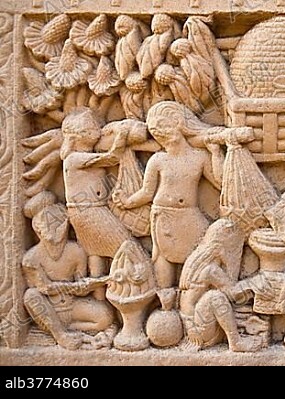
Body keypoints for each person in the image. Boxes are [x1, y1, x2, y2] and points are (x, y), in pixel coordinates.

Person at [113, 101, 225, 309]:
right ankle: (166, 309)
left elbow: (219, 183)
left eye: (165, 127)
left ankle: (189, 306)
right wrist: (127, 202)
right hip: (163, 216)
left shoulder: (199, 158)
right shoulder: (158, 160)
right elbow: (147, 192)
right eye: (157, 131)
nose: (163, 133)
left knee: (197, 255)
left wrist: (216, 153)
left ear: (179, 124)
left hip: (189, 216)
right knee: (163, 258)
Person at [22, 192, 115, 350]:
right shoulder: (31, 258)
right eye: (48, 227)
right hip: (49, 310)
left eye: (59, 225)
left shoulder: (76, 251)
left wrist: (88, 285)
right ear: (38, 231)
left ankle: (73, 332)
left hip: (72, 307)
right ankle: (60, 335)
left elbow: (79, 285)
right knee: (31, 296)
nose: (55, 234)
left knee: (105, 316)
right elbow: (45, 288)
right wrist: (71, 287)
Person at [61, 108, 133, 300]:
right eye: (91, 130)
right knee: (126, 246)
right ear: (78, 136)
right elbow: (111, 158)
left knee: (95, 253)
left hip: (85, 211)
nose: (98, 131)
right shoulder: (74, 158)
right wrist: (122, 134)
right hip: (90, 211)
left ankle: (99, 298)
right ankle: (124, 290)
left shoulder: (80, 157)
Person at [179, 219, 263, 352]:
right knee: (215, 297)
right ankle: (235, 342)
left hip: (197, 325)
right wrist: (258, 282)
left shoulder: (198, 260)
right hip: (200, 331)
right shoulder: (210, 270)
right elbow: (234, 293)